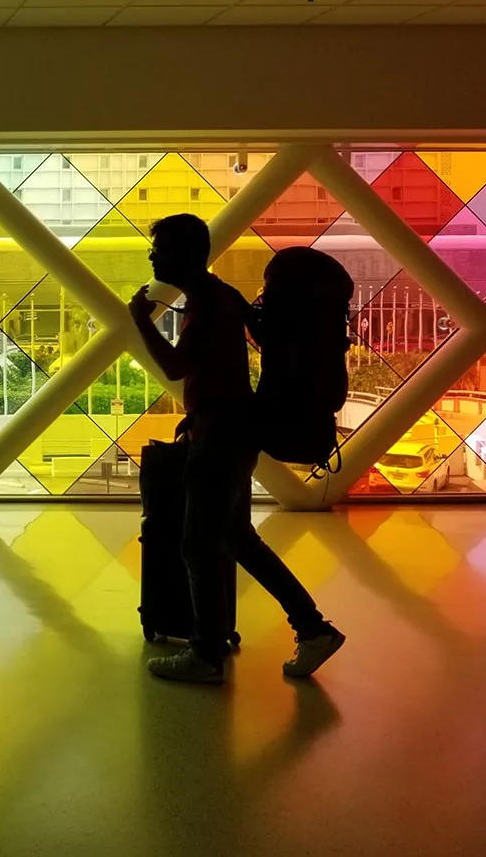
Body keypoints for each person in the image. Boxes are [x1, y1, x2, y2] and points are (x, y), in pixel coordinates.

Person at [127, 214, 344, 684]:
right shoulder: (221, 296)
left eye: (159, 247)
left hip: (220, 438)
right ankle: (312, 628)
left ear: (187, 253)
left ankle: (206, 656)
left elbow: (174, 367)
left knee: (197, 546)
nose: (152, 255)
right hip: (231, 433)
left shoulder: (208, 302)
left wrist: (139, 322)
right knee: (235, 540)